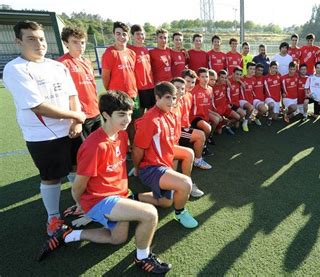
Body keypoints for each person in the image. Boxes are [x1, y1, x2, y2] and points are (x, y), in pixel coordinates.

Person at [37, 91, 171, 275]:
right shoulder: (95, 146)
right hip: (99, 200)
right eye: (122, 115)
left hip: (118, 195)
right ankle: (142, 258)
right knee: (149, 214)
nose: (127, 119)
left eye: (130, 114)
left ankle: (68, 235)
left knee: (117, 239)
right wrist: (82, 205)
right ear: (106, 115)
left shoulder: (122, 136)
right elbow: (77, 186)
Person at [3, 20, 86, 236]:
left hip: (71, 130)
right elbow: (38, 106)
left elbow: (72, 95)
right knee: (51, 177)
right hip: (42, 136)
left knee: (78, 169)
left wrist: (76, 121)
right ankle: (53, 217)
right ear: (19, 41)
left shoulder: (57, 66)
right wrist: (76, 115)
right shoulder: (15, 69)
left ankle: (81, 206)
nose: (39, 43)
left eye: (41, 38)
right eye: (31, 38)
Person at [133, 82, 199, 228]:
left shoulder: (171, 113)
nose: (172, 102)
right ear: (157, 97)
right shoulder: (150, 120)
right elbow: (137, 149)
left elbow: (171, 142)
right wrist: (137, 168)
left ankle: (134, 197)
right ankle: (180, 213)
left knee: (166, 202)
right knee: (184, 183)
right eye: (168, 98)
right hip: (151, 167)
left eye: (174, 98)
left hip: (164, 163)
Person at [58, 26, 100, 138]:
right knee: (84, 151)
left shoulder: (87, 62)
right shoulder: (61, 64)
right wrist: (74, 119)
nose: (80, 45)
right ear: (66, 43)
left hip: (95, 112)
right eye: (75, 42)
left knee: (97, 146)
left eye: (82, 42)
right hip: (80, 116)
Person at [171, 77, 211, 172]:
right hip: (174, 133)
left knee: (200, 134)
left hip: (182, 128)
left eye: (192, 82)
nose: (190, 84)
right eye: (188, 81)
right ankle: (197, 160)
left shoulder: (188, 95)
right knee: (200, 135)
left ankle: (197, 158)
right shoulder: (171, 102)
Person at [190, 68, 222, 143]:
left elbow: (208, 105)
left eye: (207, 77)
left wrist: (215, 113)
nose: (205, 79)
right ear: (198, 78)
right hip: (195, 116)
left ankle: (209, 137)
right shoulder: (194, 90)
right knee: (207, 128)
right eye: (203, 77)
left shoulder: (210, 89)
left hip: (206, 114)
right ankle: (203, 144)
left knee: (216, 120)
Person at [128, 24, 155, 112]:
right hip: (138, 88)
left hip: (150, 86)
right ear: (132, 36)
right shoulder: (129, 50)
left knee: (152, 111)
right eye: (137, 34)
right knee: (139, 114)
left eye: (142, 34)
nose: (140, 36)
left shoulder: (146, 50)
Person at [211, 69, 241, 134]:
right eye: (222, 77)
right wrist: (215, 111)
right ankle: (219, 125)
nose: (224, 79)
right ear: (218, 77)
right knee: (219, 133)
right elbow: (212, 102)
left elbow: (232, 80)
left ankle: (227, 123)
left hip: (225, 107)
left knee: (238, 117)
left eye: (225, 78)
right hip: (217, 110)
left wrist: (227, 80)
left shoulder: (225, 84)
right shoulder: (213, 87)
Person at [264, 61, 282, 125]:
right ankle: (269, 119)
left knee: (275, 118)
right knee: (271, 105)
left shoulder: (279, 76)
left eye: (276, 68)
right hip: (269, 97)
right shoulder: (265, 77)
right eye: (273, 68)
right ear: (270, 68)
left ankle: (273, 112)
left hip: (277, 99)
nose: (274, 69)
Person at [240, 62, 256, 131]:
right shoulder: (241, 78)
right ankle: (244, 122)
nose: (252, 70)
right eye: (250, 69)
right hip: (241, 100)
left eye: (254, 69)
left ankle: (245, 120)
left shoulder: (254, 79)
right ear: (246, 69)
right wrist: (240, 82)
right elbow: (232, 77)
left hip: (249, 100)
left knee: (250, 121)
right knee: (237, 124)